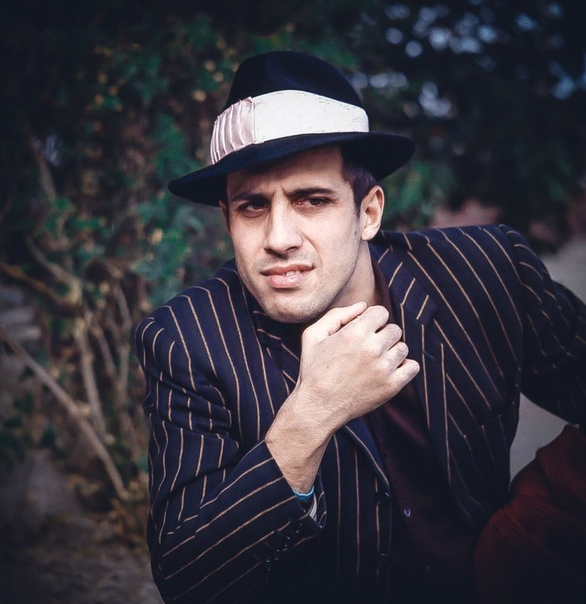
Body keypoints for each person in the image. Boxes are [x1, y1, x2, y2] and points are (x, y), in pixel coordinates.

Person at [135, 51, 586, 604]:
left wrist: (545, 509)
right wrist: (312, 414)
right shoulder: (186, 340)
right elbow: (187, 578)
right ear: (228, 219)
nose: (279, 238)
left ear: (368, 212)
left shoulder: (484, 271)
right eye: (252, 207)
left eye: (311, 200)